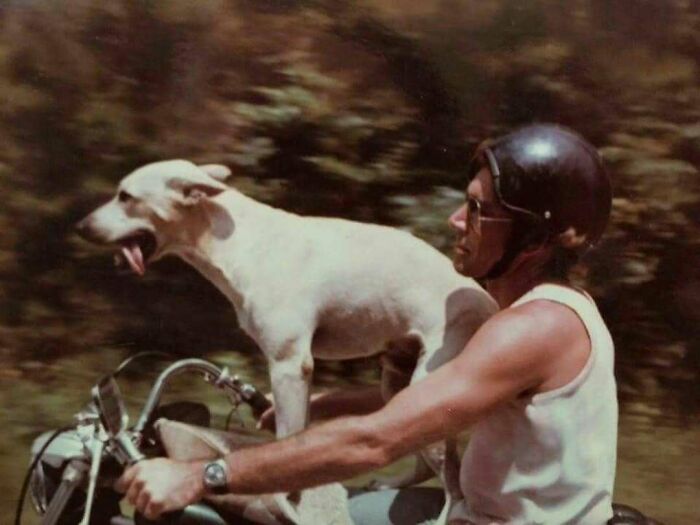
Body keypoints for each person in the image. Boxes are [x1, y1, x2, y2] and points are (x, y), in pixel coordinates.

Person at [116, 123, 618, 524]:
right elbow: (436, 401)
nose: (455, 220)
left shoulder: (533, 328)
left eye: (476, 210)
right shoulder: (547, 313)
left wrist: (203, 475)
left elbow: (375, 441)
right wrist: (326, 403)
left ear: (534, 238)